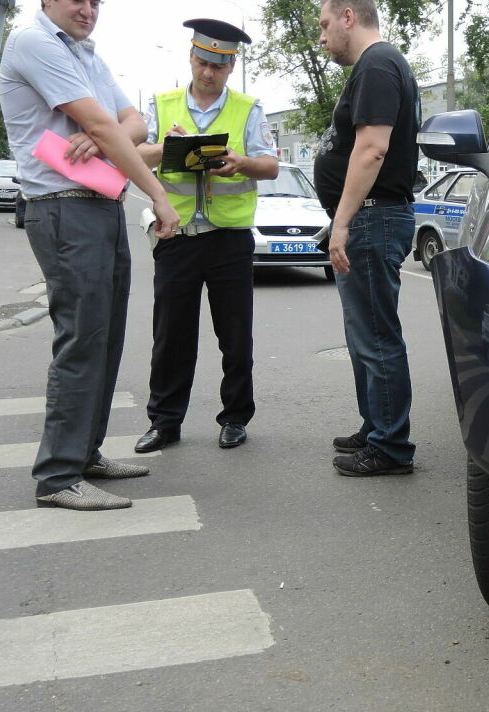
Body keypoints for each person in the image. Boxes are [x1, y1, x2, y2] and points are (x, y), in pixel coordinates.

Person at [0, 0, 179, 511]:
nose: (88, 8)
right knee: (81, 339)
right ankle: (57, 476)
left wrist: (98, 137)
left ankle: (85, 453)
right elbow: (108, 125)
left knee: (105, 337)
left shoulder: (87, 55)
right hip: (61, 209)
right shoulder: (34, 42)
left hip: (99, 204)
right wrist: (158, 195)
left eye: (97, 0)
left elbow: (133, 122)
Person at [132, 19, 279, 455]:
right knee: (170, 336)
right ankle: (164, 422)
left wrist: (241, 162)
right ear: (190, 57)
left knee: (235, 337)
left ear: (231, 65)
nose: (208, 71)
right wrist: (166, 147)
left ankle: (235, 418)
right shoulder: (161, 104)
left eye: (219, 64)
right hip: (176, 236)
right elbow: (135, 154)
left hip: (228, 238)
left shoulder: (249, 109)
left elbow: (270, 164)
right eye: (202, 61)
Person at [314, 0, 420, 477]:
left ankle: (391, 446)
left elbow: (372, 148)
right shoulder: (376, 66)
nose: (322, 37)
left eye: (324, 25)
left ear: (348, 17)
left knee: (376, 336)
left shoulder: (378, 64)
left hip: (373, 220)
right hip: (369, 219)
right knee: (364, 334)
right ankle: (375, 425)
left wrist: (342, 221)